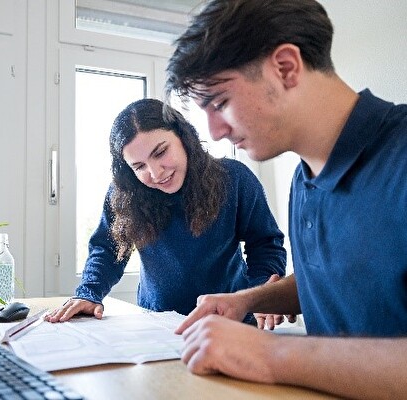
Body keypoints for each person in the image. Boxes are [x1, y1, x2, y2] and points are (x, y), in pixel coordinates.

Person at [164, 0, 407, 398]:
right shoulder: (303, 178)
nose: (214, 131)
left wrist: (271, 354)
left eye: (220, 102)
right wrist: (247, 299)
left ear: (286, 67)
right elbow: (344, 277)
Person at [46, 98, 286, 324]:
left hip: (232, 323)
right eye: (139, 166)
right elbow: (108, 249)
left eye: (160, 152)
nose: (156, 173)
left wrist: (260, 294)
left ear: (184, 137)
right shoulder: (124, 194)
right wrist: (89, 292)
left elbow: (264, 243)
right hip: (156, 324)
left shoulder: (234, 178)